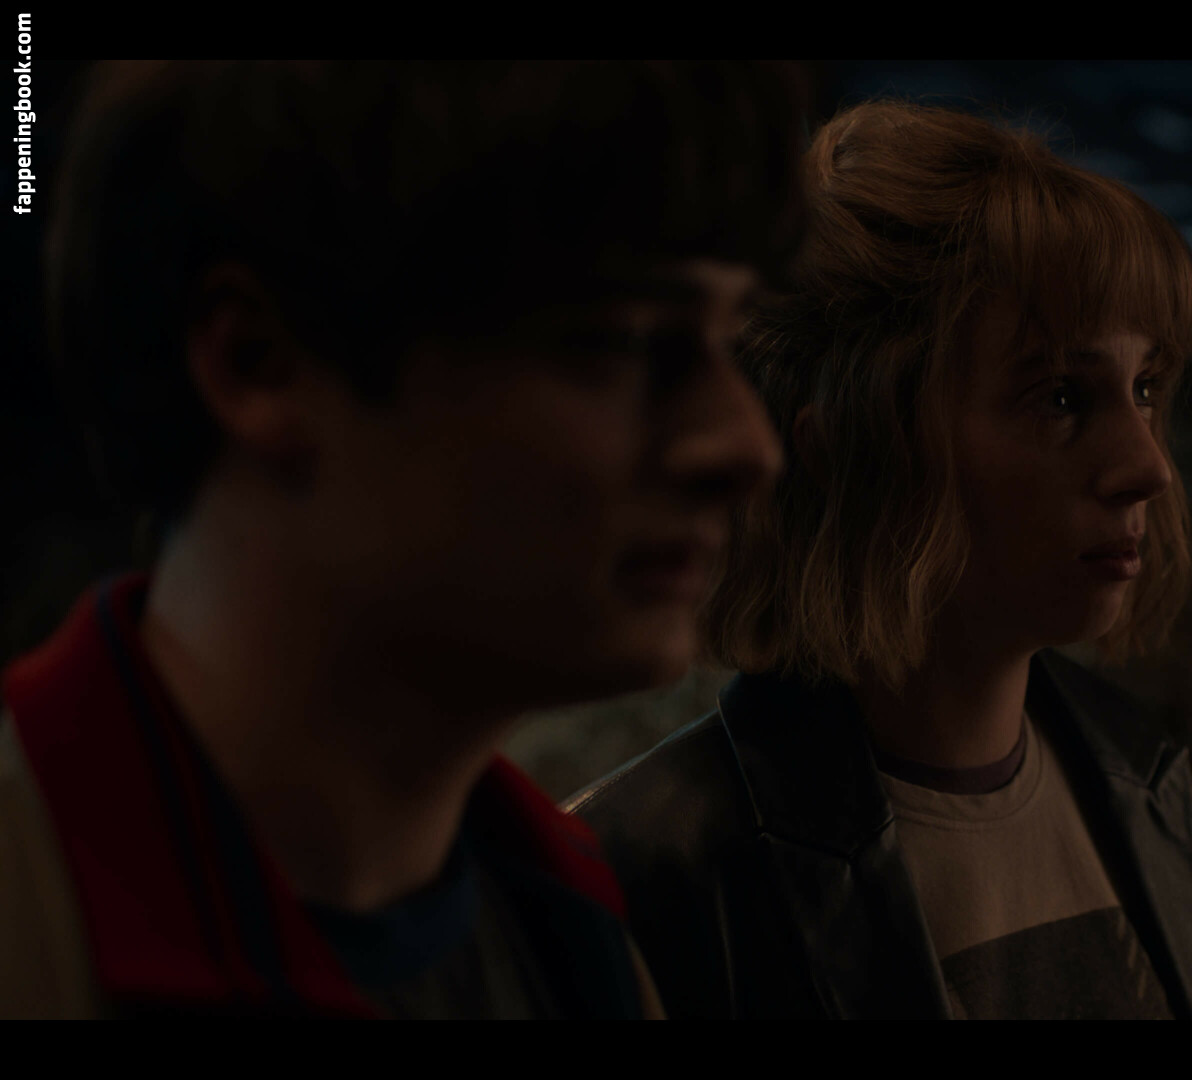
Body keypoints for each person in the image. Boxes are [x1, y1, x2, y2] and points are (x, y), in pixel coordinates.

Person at [0, 61, 803, 1018]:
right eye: (619, 341)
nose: (745, 445)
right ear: (259, 363)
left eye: (728, 341)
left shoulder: (573, 928)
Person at [568, 100, 1192, 1019]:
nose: (1147, 466)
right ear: (846, 447)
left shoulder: (1138, 776)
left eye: (1146, 387)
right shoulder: (649, 872)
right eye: (1058, 396)